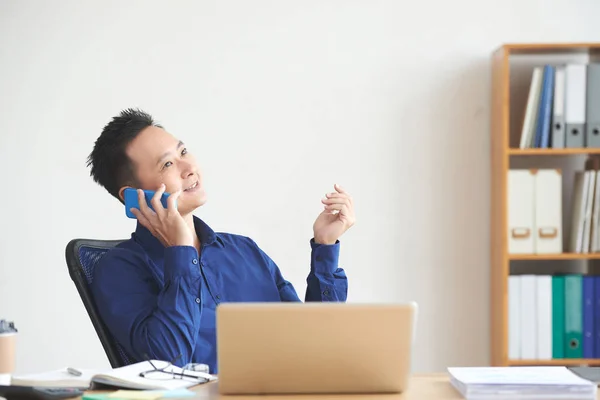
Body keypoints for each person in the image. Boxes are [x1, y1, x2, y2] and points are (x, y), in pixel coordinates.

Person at [86, 108, 355, 373]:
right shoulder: (119, 269)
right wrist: (179, 252)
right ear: (134, 196)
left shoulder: (243, 250)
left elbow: (311, 343)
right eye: (167, 164)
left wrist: (325, 246)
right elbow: (168, 365)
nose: (189, 167)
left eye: (183, 152)